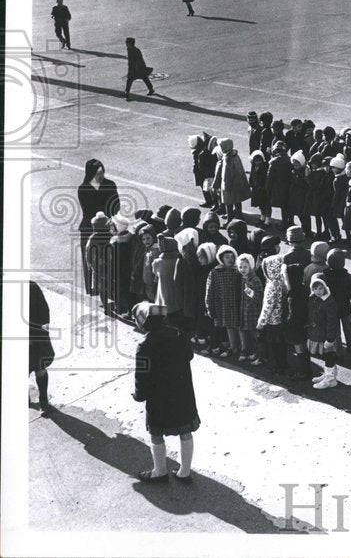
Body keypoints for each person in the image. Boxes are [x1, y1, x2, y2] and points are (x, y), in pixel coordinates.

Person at [131, 301, 200, 484]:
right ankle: (184, 472)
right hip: (182, 391)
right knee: (185, 430)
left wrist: (139, 395)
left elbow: (142, 376)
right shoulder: (177, 334)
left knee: (156, 433)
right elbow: (189, 356)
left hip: (158, 397)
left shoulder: (145, 345)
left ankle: (160, 471)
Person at [77, 159, 121, 296]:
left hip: (106, 225)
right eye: (97, 173)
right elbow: (88, 209)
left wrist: (106, 217)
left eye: (102, 172)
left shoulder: (110, 184)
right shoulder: (83, 188)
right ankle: (94, 289)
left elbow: (116, 205)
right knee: (91, 258)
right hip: (89, 227)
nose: (101, 176)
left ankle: (109, 289)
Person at [28, 281, 56, 414]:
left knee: (40, 368)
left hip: (35, 337)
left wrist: (40, 336)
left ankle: (43, 401)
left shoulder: (32, 287)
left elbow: (44, 312)